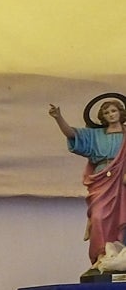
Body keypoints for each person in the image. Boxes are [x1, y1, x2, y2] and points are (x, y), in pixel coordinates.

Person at [49, 95, 126, 268]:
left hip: (123, 181)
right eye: (106, 112)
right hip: (102, 180)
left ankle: (121, 257)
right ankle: (102, 255)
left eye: (113, 111)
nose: (111, 114)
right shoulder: (95, 135)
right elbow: (72, 134)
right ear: (102, 117)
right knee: (98, 217)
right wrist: (58, 118)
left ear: (121, 113)